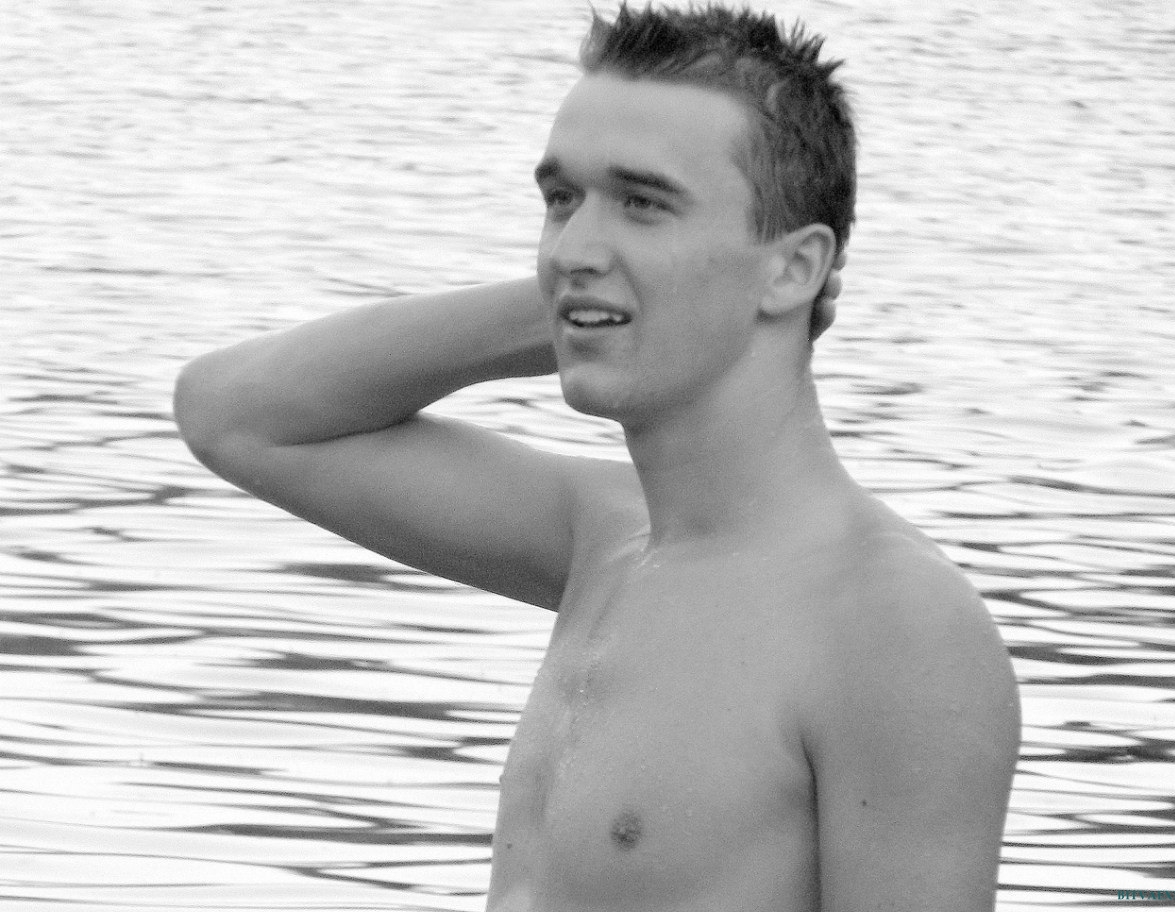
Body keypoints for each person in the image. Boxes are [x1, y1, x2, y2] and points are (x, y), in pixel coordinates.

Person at [174, 4, 1020, 910]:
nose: (572, 246)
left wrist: (622, 298)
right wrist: (592, 299)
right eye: (561, 201)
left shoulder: (893, 625)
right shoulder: (605, 542)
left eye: (643, 204)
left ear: (791, 267)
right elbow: (234, 415)